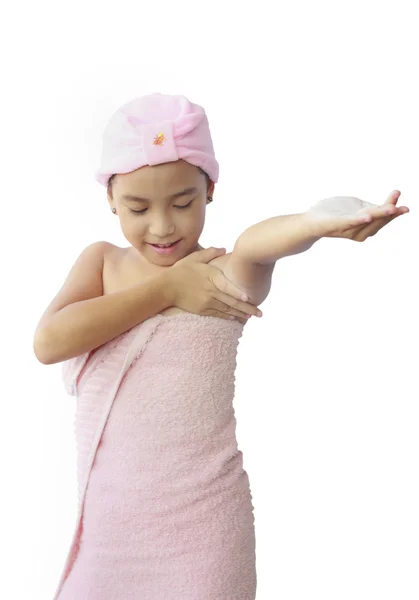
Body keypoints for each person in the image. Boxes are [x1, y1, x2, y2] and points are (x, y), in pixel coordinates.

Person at [35, 93, 409, 600]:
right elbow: (50, 341)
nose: (163, 226)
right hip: (108, 533)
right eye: (138, 208)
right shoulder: (102, 263)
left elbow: (260, 242)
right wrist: (165, 290)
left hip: (201, 534)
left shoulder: (223, 273)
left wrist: (315, 221)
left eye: (183, 203)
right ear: (110, 200)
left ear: (210, 190)